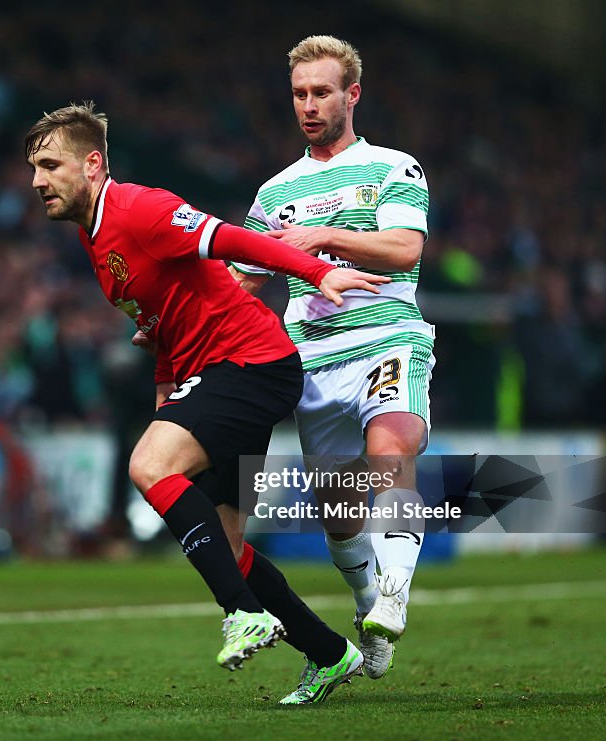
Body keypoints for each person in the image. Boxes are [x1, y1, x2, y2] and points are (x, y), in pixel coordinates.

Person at [25, 102, 391, 704]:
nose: (37, 180)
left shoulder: (138, 208)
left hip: (252, 364)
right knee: (228, 548)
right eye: (33, 168)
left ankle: (241, 614)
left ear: (92, 165)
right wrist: (165, 393)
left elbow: (232, 239)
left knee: (149, 467)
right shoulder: (95, 240)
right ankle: (330, 654)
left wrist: (314, 270)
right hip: (220, 373)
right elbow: (162, 322)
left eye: (49, 165)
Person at [230, 35, 435, 680]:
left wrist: (320, 237)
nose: (309, 105)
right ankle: (368, 600)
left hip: (387, 339)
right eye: (299, 94)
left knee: (392, 450)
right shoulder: (274, 194)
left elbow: (405, 250)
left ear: (352, 95)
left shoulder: (394, 169)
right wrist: (170, 317)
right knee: (340, 513)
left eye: (322, 92)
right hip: (313, 361)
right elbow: (243, 283)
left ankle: (396, 590)